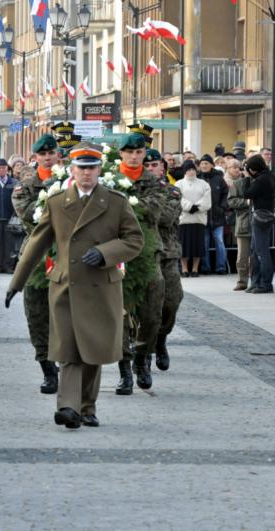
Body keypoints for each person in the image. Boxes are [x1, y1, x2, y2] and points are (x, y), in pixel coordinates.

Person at [5, 143, 143, 429]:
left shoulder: (116, 202)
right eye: (81, 168)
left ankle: (87, 407)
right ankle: (68, 407)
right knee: (68, 348)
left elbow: (134, 240)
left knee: (92, 349)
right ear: (72, 170)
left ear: (99, 170)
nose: (86, 173)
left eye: (91, 168)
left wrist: (105, 253)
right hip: (66, 286)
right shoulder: (57, 203)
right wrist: (16, 283)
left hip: (100, 286)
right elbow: (37, 244)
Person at [114, 134, 167, 393]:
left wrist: (120, 207)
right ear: (121, 154)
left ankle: (142, 356)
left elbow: (153, 211)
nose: (134, 156)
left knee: (152, 311)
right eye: (129, 152)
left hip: (147, 252)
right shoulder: (109, 179)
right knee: (119, 313)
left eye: (139, 152)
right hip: (118, 253)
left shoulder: (154, 182)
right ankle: (124, 369)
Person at [11, 134, 61, 394]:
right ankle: (48, 369)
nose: (48, 158)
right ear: (35, 158)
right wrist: (52, 191)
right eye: (43, 154)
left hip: (67, 254)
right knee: (37, 313)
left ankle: (69, 361)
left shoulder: (72, 180)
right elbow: (31, 216)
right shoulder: (25, 187)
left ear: (58, 155)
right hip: (37, 256)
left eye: (52, 153)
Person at [242, 154, 275, 293]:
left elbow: (247, 193)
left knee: (261, 251)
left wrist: (246, 178)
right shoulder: (267, 176)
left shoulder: (262, 179)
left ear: (253, 168)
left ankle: (266, 284)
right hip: (264, 215)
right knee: (255, 251)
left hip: (261, 217)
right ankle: (256, 282)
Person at [176, 160, 211, 277]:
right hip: (184, 219)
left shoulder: (204, 184)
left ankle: (195, 269)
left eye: (192, 169)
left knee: (198, 246)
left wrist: (196, 207)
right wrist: (189, 206)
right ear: (184, 171)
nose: (191, 172)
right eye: (188, 170)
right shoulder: (179, 184)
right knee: (184, 246)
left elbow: (207, 199)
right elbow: (177, 198)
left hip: (198, 219)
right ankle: (184, 269)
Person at [197, 154, 229, 275]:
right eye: (202, 163)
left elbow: (226, 194)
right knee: (204, 243)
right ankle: (205, 267)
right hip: (202, 216)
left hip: (217, 217)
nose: (204, 165)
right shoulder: (197, 178)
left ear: (211, 165)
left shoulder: (219, 178)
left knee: (219, 242)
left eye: (206, 163)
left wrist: (222, 207)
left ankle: (221, 267)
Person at [227, 161, 252, 290]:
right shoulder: (237, 184)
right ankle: (242, 281)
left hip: (259, 222)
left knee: (257, 255)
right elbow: (231, 201)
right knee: (242, 256)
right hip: (243, 222)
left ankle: (257, 280)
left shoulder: (261, 183)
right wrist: (246, 202)